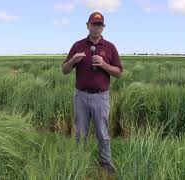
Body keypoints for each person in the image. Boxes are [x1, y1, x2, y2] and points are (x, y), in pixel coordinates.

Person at [62, 12, 123, 174]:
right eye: (93, 24)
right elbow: (64, 70)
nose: (96, 28)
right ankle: (79, 163)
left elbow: (118, 73)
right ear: (87, 25)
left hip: (101, 97)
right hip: (80, 96)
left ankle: (106, 164)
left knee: (102, 134)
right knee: (80, 134)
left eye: (99, 25)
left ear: (103, 28)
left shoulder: (110, 47)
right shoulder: (78, 45)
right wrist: (73, 61)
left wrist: (104, 65)